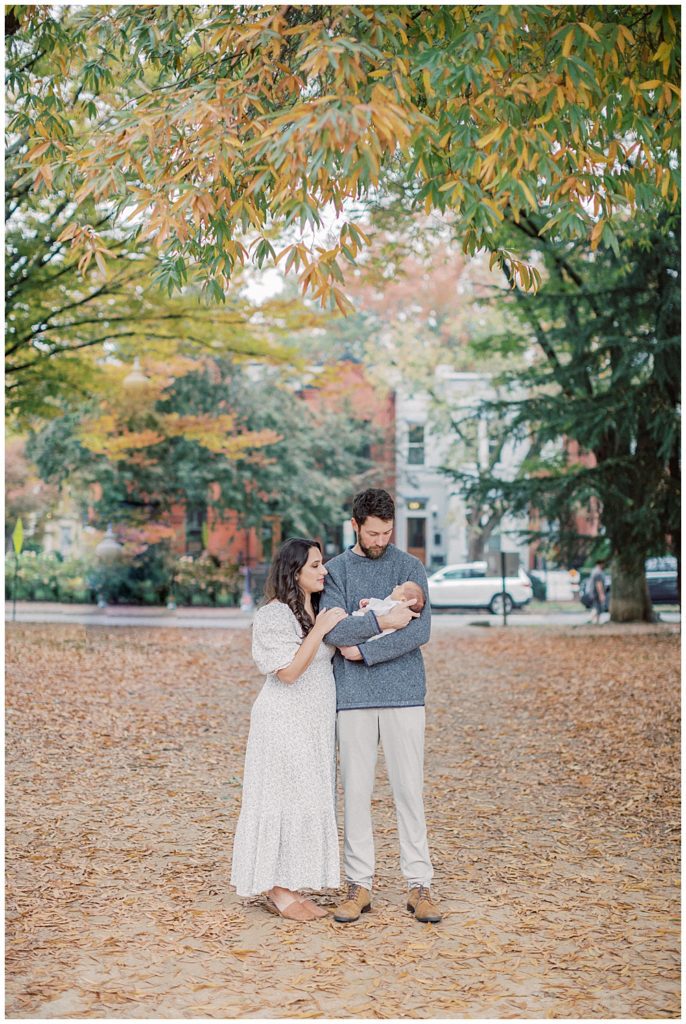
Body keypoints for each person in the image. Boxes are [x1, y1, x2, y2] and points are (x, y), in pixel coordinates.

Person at [322, 488, 441, 924]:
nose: (381, 540)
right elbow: (333, 631)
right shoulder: (336, 571)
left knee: (409, 790)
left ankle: (419, 884)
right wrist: (382, 621)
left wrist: (367, 649)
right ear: (355, 526)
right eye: (373, 533)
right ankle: (360, 884)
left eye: (387, 532)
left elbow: (419, 631)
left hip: (405, 693)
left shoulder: (411, 568)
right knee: (356, 791)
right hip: (352, 697)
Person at [230, 538, 347, 921]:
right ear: (293, 571)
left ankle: (291, 884)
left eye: (322, 564)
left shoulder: (314, 611)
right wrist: (321, 630)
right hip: (282, 720)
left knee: (303, 798)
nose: (323, 570)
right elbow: (290, 672)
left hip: (313, 725)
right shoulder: (274, 615)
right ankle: (275, 887)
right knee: (279, 798)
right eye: (315, 565)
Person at [352, 581, 426, 640]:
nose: (396, 586)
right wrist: (371, 601)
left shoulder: (397, 606)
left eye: (400, 587)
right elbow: (383, 604)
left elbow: (381, 609)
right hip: (377, 631)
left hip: (379, 634)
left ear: (403, 599)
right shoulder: (393, 602)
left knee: (362, 613)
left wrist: (369, 608)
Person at [588, 558, 607, 624]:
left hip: (593, 592)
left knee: (596, 607)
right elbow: (598, 584)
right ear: (601, 564)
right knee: (597, 607)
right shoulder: (598, 572)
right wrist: (601, 594)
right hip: (596, 593)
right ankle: (594, 620)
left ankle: (595, 620)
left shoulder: (594, 571)